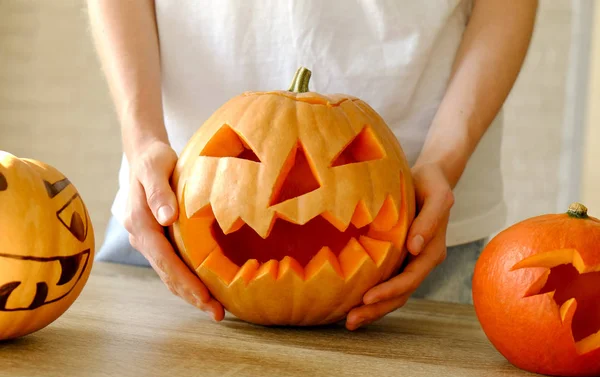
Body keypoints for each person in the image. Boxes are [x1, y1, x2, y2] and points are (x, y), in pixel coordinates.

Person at [87, 0, 537, 330]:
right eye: (244, 153)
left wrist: (443, 160)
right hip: (172, 208)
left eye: (349, 157)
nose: (290, 197)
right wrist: (142, 140)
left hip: (419, 213)